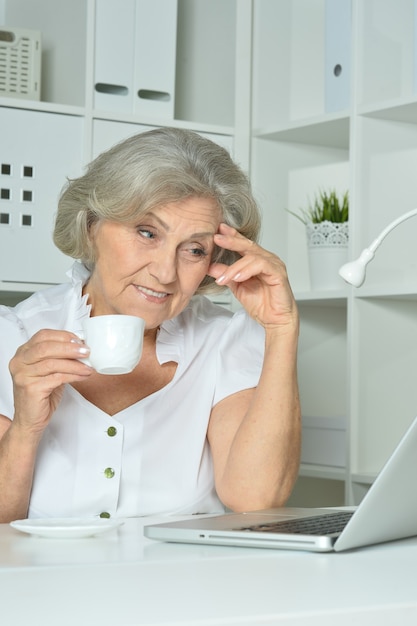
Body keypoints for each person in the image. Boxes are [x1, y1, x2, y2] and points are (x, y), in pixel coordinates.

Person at [0, 127, 301, 522]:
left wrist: (281, 329)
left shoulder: (224, 340)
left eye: (194, 250)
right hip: (48, 583)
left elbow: (255, 498)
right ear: (92, 225)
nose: (164, 273)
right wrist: (25, 427)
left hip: (185, 580)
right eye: (147, 232)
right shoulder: (16, 334)